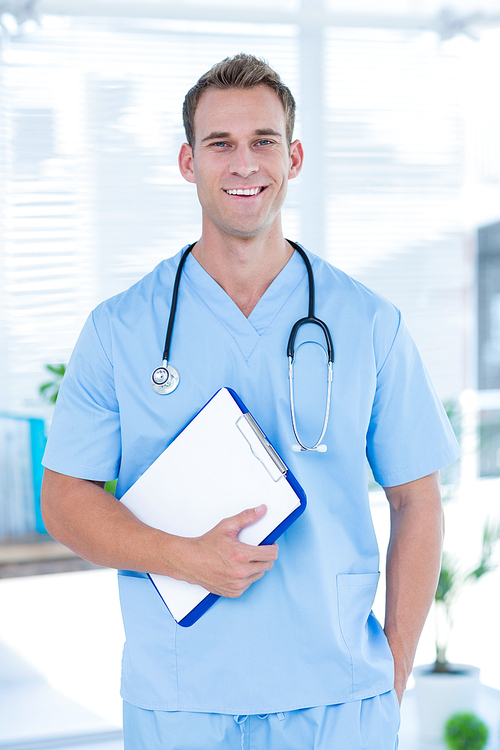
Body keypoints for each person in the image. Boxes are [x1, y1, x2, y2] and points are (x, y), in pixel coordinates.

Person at [41, 53, 460, 750]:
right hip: (183, 704)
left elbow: (418, 498)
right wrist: (179, 555)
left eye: (264, 141)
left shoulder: (368, 323)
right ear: (187, 161)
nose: (244, 164)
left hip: (341, 702)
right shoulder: (121, 329)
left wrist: (394, 669)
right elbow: (64, 498)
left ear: (293, 158)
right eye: (220, 144)